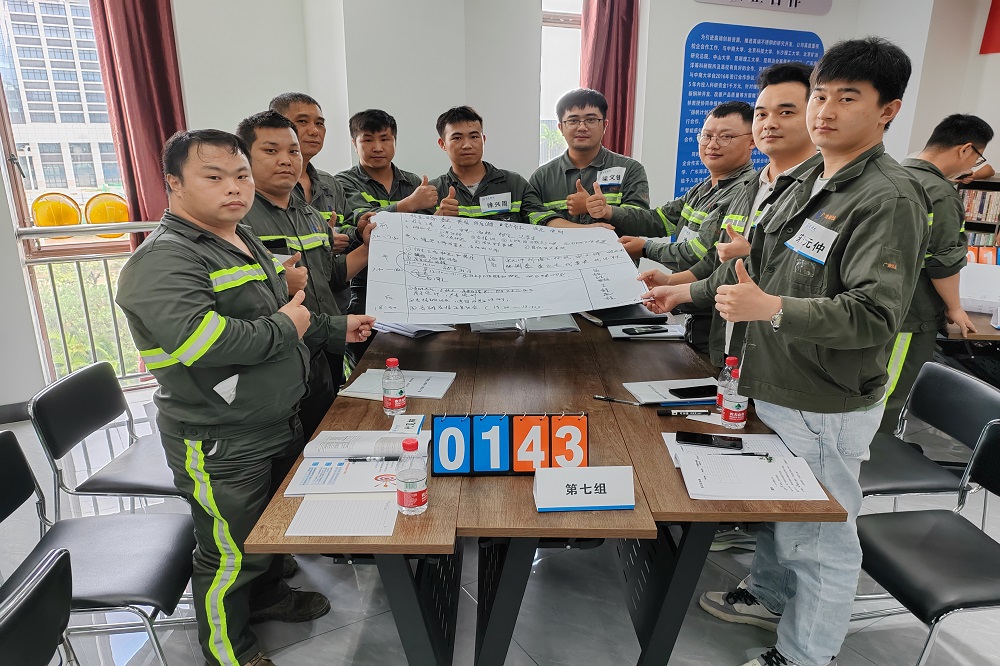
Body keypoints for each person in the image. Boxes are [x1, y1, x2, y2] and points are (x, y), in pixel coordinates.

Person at [644, 37, 930, 666]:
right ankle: (770, 596)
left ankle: (805, 656)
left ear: (887, 111)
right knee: (785, 514)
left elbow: (873, 315)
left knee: (821, 539)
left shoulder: (888, 197)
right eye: (820, 96)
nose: (825, 111)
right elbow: (760, 273)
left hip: (822, 396)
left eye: (847, 98)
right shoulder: (808, 181)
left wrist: (771, 307)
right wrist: (690, 289)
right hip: (773, 377)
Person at [116, 129, 375, 666]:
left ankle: (268, 597)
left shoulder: (240, 237)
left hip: (274, 418)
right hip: (220, 436)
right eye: (213, 177)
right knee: (229, 556)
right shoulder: (163, 260)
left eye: (239, 175)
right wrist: (287, 324)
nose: (234, 187)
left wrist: (336, 328)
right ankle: (229, 652)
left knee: (268, 533)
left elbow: (285, 313)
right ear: (174, 183)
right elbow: (202, 343)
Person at [638, 63, 820, 369]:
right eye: (762, 114)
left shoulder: (822, 191)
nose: (770, 124)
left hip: (782, 356)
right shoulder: (751, 187)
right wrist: (676, 288)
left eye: (786, 112)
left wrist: (753, 254)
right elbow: (720, 262)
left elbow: (809, 281)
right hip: (730, 343)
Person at [237, 110, 373, 440]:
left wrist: (369, 247)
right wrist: (279, 283)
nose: (286, 160)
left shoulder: (310, 215)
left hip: (325, 351)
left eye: (293, 151)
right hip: (278, 361)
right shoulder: (239, 219)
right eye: (271, 151)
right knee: (290, 451)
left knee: (324, 437)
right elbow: (243, 301)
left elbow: (331, 276)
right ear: (244, 158)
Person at [879, 114, 993, 432]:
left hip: (874, 304)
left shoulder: (892, 173)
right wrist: (955, 308)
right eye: (977, 157)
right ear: (965, 149)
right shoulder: (940, 193)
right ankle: (876, 456)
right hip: (909, 314)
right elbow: (942, 262)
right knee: (888, 395)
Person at [335, 109, 435, 363]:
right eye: (367, 140)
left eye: (385, 139)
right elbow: (363, 221)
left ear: (395, 141)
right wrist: (408, 205)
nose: (377, 147)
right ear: (354, 143)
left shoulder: (412, 181)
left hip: (412, 286)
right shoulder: (343, 183)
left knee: (419, 358)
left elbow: (425, 234)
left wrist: (440, 218)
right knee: (368, 361)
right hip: (365, 287)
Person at [619, 101, 757, 272]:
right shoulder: (703, 187)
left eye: (725, 137)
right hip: (682, 286)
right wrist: (608, 211)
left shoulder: (744, 191)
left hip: (709, 289)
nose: (712, 145)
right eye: (707, 136)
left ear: (752, 141)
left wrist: (646, 249)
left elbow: (700, 254)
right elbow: (660, 220)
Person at [269, 92, 354, 314]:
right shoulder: (262, 189)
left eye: (319, 123)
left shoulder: (330, 184)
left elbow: (346, 228)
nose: (314, 131)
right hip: (287, 313)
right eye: (302, 121)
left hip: (334, 306)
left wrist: (356, 233)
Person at [529, 88, 653, 234]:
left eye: (591, 120)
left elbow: (641, 222)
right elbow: (533, 223)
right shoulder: (542, 177)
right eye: (573, 120)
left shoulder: (630, 170)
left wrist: (603, 209)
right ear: (561, 128)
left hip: (615, 250)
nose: (582, 127)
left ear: (605, 125)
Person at [427, 105, 562, 225]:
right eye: (457, 138)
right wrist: (437, 220)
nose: (467, 145)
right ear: (442, 144)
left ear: (483, 140)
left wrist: (575, 232)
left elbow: (544, 220)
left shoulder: (514, 184)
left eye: (474, 137)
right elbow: (418, 237)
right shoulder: (432, 192)